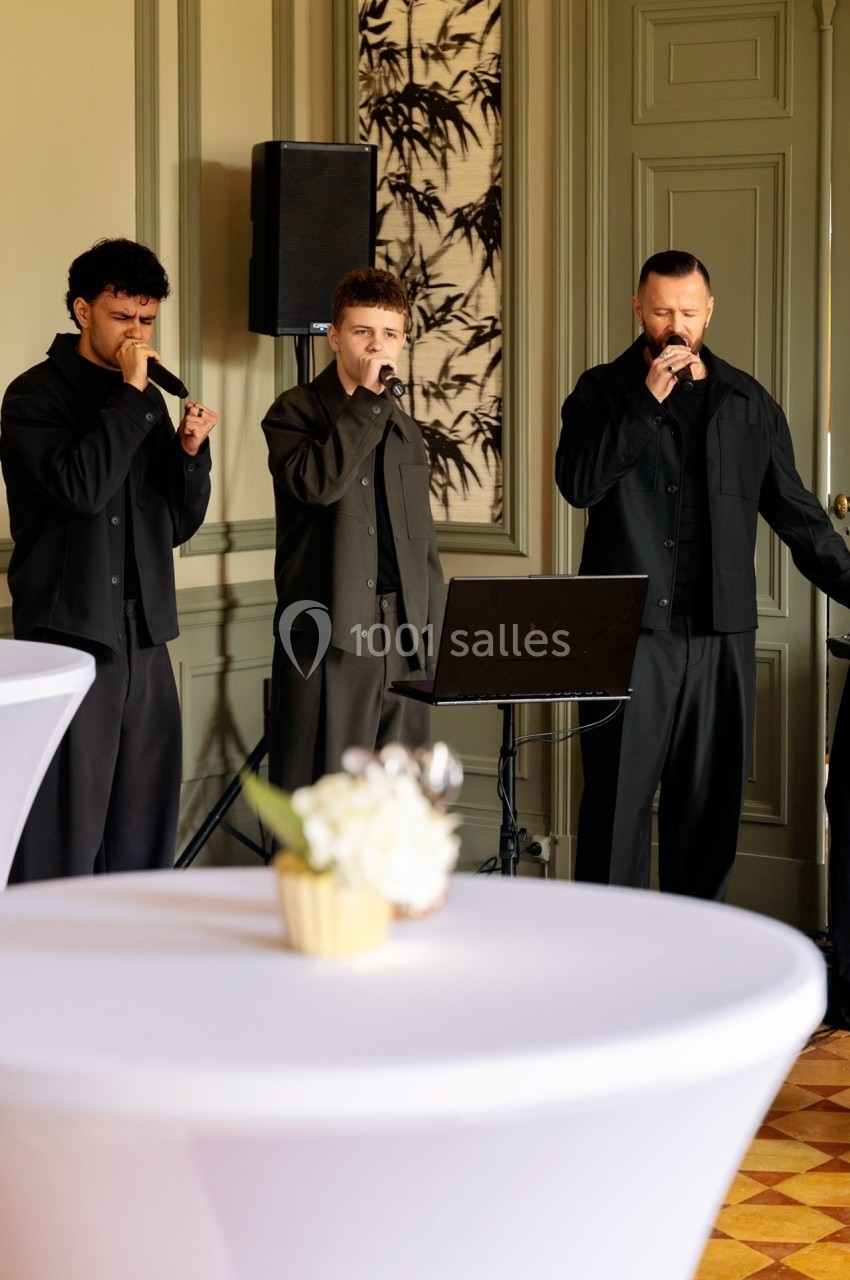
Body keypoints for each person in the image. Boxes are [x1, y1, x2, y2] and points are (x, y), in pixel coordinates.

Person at [556, 249, 850, 900]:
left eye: (688, 312)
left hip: (721, 641)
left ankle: (691, 969)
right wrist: (645, 402)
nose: (675, 326)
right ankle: (605, 974)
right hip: (624, 638)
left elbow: (802, 520)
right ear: (638, 309)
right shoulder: (599, 393)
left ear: (709, 312)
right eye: (662, 311)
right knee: (613, 810)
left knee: (709, 816)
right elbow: (578, 485)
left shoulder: (749, 403)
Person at [0, 237, 217, 881]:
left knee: (144, 819)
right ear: (81, 310)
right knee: (64, 824)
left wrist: (188, 454)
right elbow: (81, 489)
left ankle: (139, 957)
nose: (137, 334)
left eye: (147, 320)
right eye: (122, 317)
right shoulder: (32, 398)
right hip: (70, 635)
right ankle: (49, 963)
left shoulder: (146, 401)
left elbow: (174, 525)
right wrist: (130, 397)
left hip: (145, 635)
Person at [262, 266, 444, 790]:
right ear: (334, 336)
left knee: (402, 797)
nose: (376, 345)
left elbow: (422, 543)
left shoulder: (404, 425)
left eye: (389, 334)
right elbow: (318, 485)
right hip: (332, 633)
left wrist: (431, 633)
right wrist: (365, 401)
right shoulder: (293, 411)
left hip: (405, 635)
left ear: (403, 340)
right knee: (329, 793)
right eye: (363, 332)